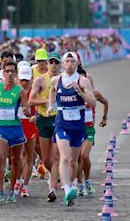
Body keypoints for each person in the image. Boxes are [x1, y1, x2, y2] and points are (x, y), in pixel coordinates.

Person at [47, 52, 95, 206]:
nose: (69, 64)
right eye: (66, 61)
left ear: (77, 64)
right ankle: (66, 188)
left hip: (78, 126)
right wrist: (50, 105)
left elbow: (93, 103)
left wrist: (80, 92)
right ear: (62, 64)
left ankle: (73, 184)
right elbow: (52, 90)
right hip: (62, 124)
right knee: (65, 157)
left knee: (74, 161)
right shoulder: (56, 80)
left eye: (72, 61)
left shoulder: (83, 81)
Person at [0, 61, 30, 203]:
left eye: (12, 71)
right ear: (2, 73)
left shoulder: (20, 91)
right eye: (7, 71)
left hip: (15, 128)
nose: (10, 74)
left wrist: (26, 111)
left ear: (16, 74)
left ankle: (11, 189)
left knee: (15, 160)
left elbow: (27, 109)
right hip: (0, 128)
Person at [28, 51, 62, 202]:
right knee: (46, 159)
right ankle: (55, 175)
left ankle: (52, 189)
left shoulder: (64, 80)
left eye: (56, 62)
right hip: (43, 119)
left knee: (55, 157)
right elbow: (30, 101)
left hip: (59, 119)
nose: (53, 65)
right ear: (47, 64)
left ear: (60, 65)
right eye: (51, 62)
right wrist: (48, 100)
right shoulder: (40, 81)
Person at [76, 67, 109, 196]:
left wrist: (104, 118)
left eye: (85, 78)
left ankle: (87, 180)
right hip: (76, 128)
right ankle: (80, 183)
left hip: (89, 129)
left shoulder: (94, 93)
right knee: (77, 158)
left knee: (84, 156)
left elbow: (105, 102)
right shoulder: (71, 94)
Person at [16, 62, 38, 197]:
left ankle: (25, 185)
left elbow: (43, 108)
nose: (24, 82)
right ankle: (17, 180)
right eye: (22, 79)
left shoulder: (35, 92)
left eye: (27, 79)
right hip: (17, 126)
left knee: (29, 157)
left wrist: (36, 116)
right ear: (18, 78)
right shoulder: (13, 92)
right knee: (17, 157)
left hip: (31, 127)